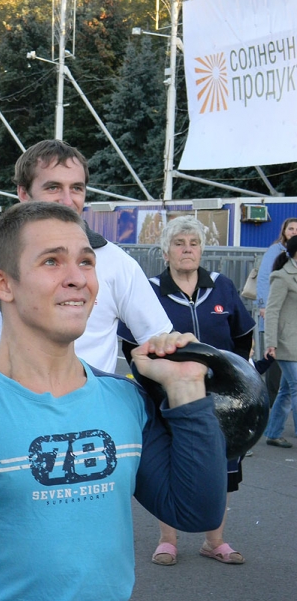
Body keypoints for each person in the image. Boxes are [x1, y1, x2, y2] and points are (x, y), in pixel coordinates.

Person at [0, 202, 227, 601]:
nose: (78, 277)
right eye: (51, 261)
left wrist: (187, 390)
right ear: (3, 284)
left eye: (86, 262)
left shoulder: (125, 400)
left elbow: (196, 512)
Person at [0, 140, 172, 372]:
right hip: (5, 398)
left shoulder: (118, 263)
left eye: (76, 188)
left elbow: (157, 347)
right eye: (53, 187)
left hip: (92, 400)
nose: (67, 200)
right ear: (24, 193)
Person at [118, 216, 255, 566]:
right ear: (165, 252)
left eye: (193, 244)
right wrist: (155, 383)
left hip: (221, 400)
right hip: (168, 396)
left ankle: (215, 541)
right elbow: (131, 345)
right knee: (172, 463)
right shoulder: (149, 289)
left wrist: (232, 380)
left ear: (202, 250)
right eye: (179, 244)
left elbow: (242, 337)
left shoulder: (222, 287)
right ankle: (168, 540)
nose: (187, 250)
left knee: (221, 466)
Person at [256, 218, 297, 405]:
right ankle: (270, 399)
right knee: (275, 363)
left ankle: (275, 415)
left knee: (287, 385)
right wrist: (263, 305)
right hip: (277, 318)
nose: (294, 231)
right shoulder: (275, 251)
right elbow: (265, 278)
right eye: (291, 228)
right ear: (284, 231)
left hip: (290, 321)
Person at [263, 234, 297, 448]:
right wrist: (271, 343)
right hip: (286, 342)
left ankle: (273, 433)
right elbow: (272, 311)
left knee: (286, 391)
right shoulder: (282, 277)